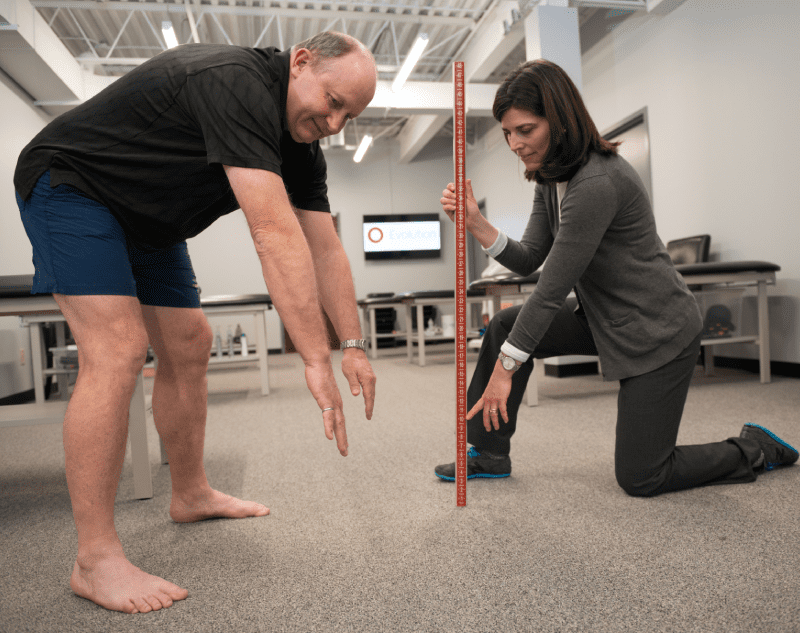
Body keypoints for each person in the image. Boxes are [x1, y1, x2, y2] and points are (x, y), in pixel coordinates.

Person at [13, 31, 377, 614]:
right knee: (119, 349)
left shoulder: (301, 145)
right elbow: (273, 233)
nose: (336, 123)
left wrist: (352, 343)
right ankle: (94, 559)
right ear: (301, 62)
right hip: (73, 184)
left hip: (148, 218)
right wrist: (314, 357)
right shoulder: (232, 79)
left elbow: (325, 248)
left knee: (189, 343)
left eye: (349, 115)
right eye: (333, 102)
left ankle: (190, 492)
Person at [434, 59, 797, 495]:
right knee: (506, 325)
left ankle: (753, 448)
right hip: (606, 319)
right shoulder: (551, 177)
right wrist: (476, 223)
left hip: (656, 331)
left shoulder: (596, 182)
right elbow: (530, 258)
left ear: (560, 119)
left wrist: (506, 368)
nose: (514, 143)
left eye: (525, 130)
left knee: (643, 476)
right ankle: (488, 453)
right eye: (507, 132)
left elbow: (551, 290)